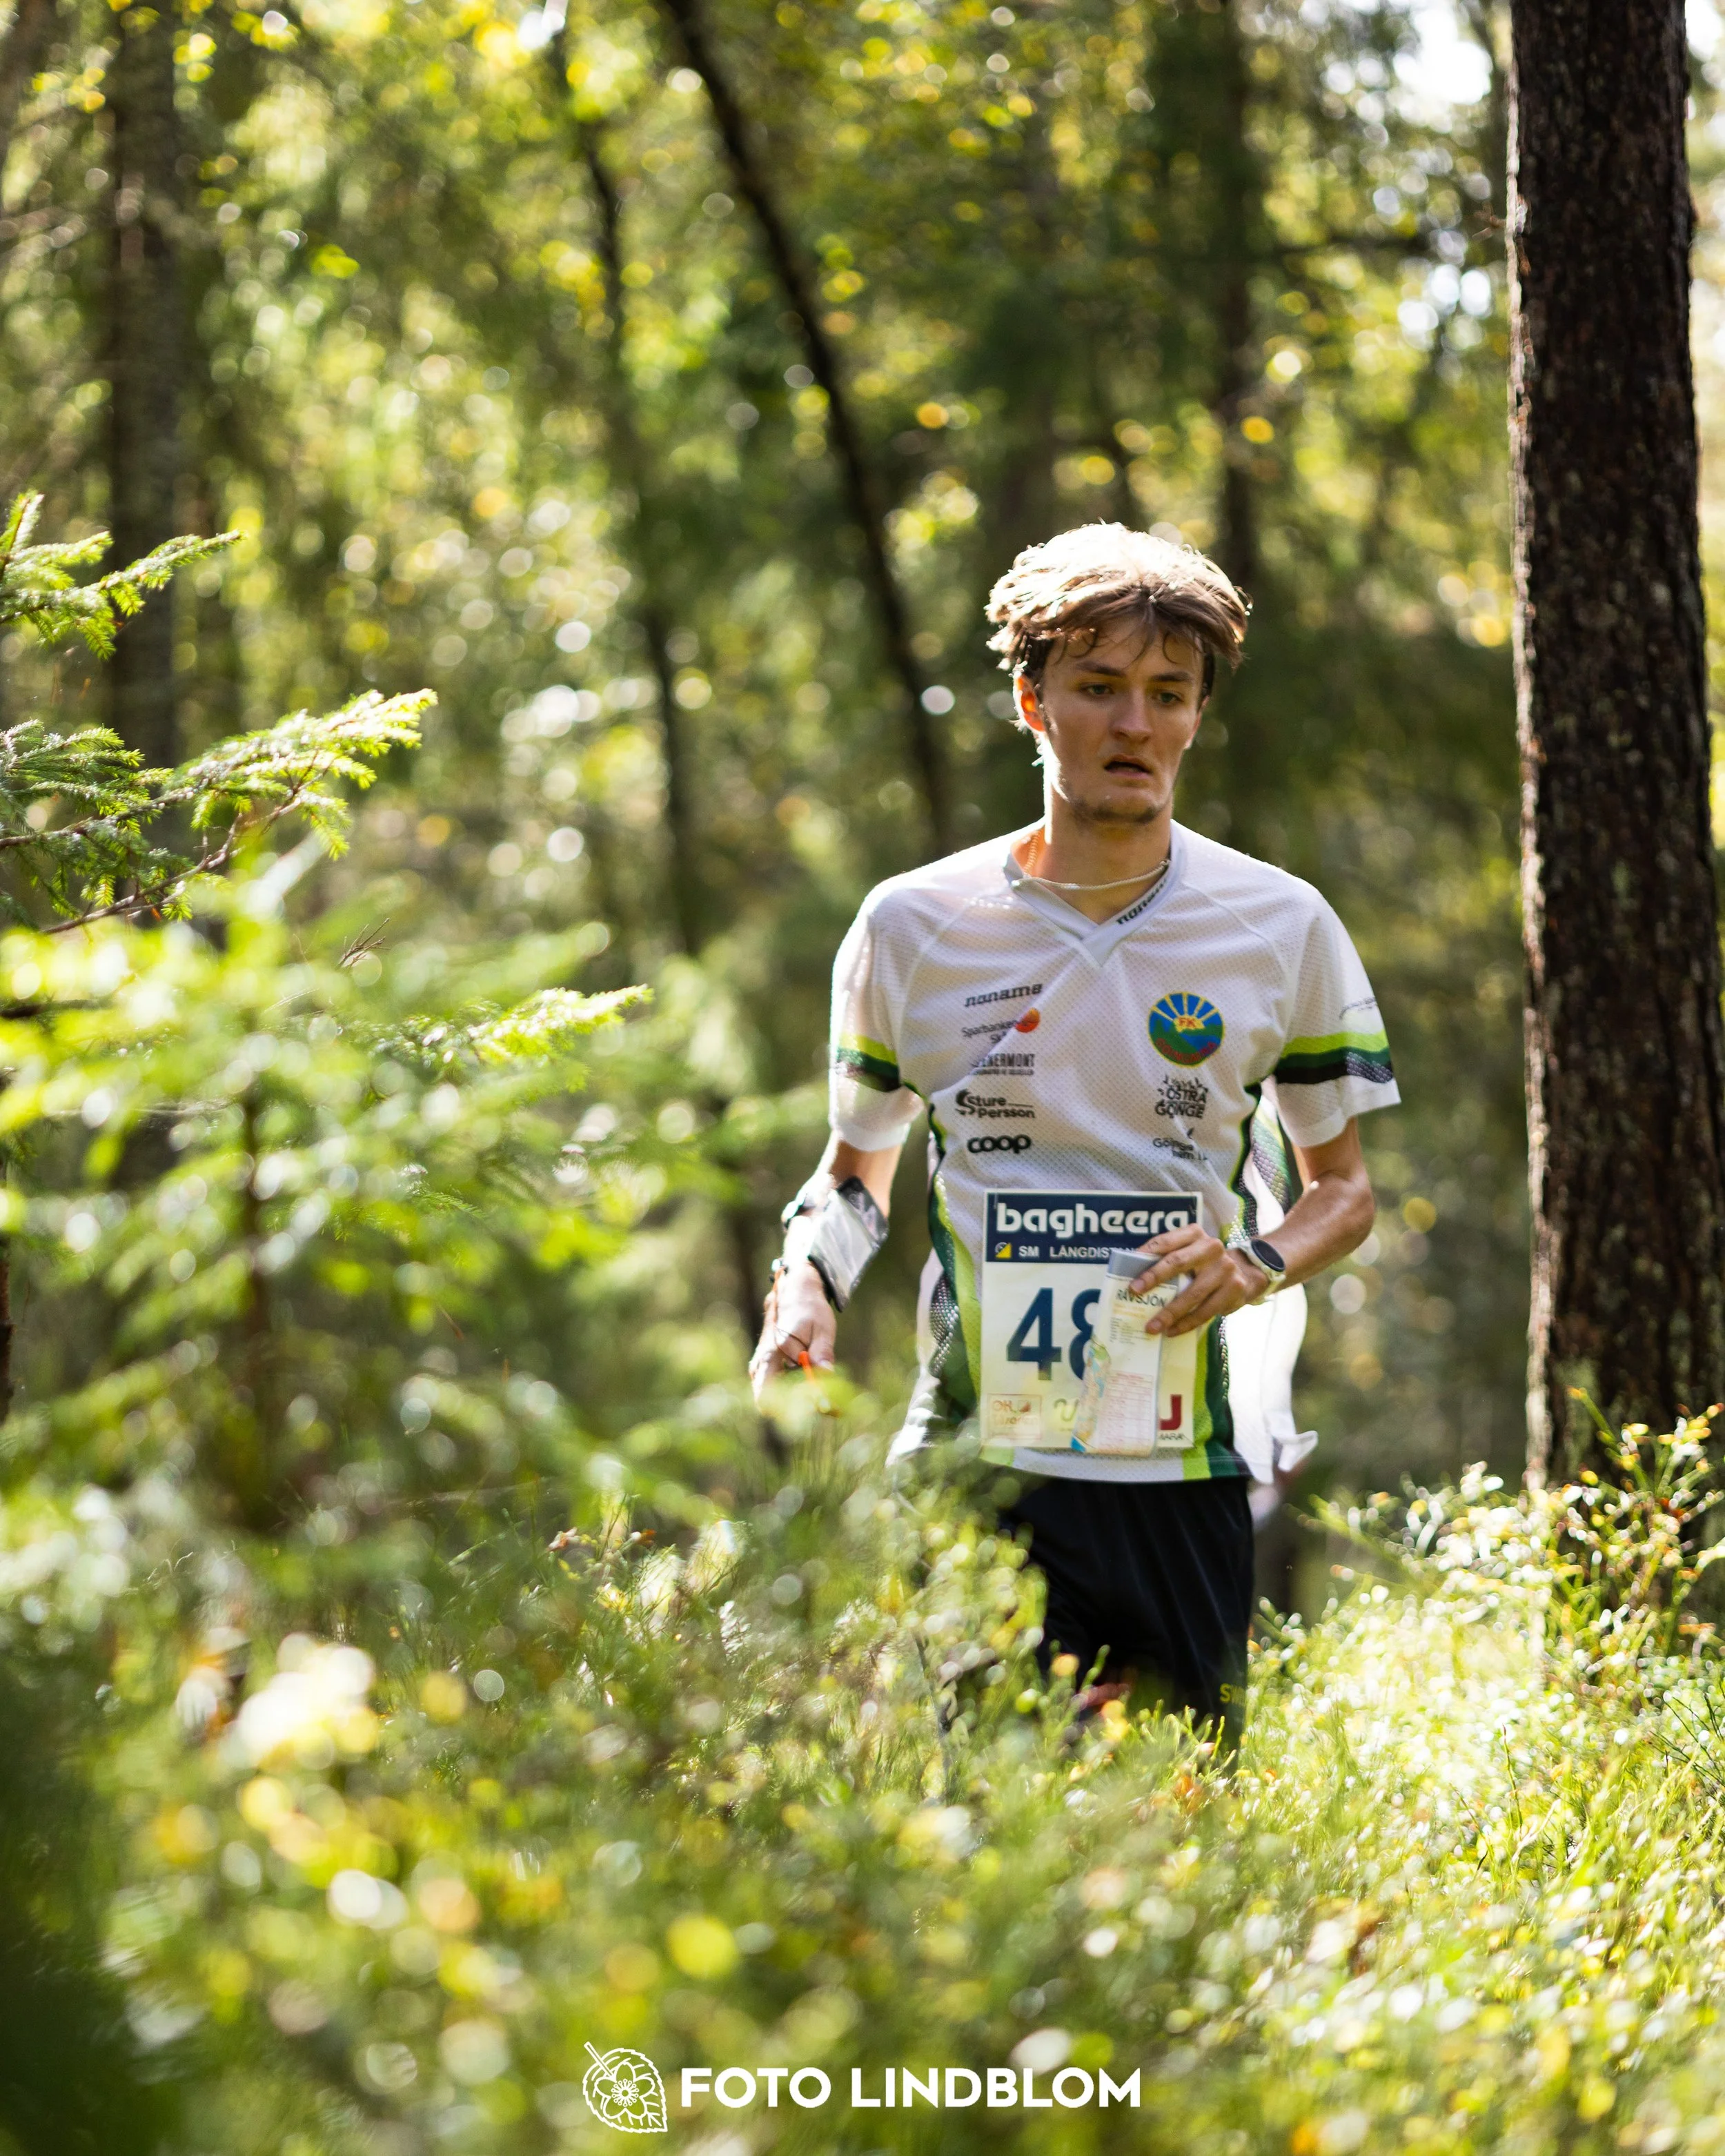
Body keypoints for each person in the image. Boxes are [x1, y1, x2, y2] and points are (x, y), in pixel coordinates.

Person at [749, 522, 1397, 1739]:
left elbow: (1345, 1192)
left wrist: (1253, 1263)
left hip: (1185, 1466)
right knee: (983, 1840)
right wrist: (805, 1288)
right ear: (1031, 699)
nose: (1135, 727)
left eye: (1168, 695)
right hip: (973, 1462)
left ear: (1199, 714)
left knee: (1188, 1823)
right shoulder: (913, 925)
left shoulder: (1281, 925)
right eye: (1099, 689)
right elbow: (853, 1175)